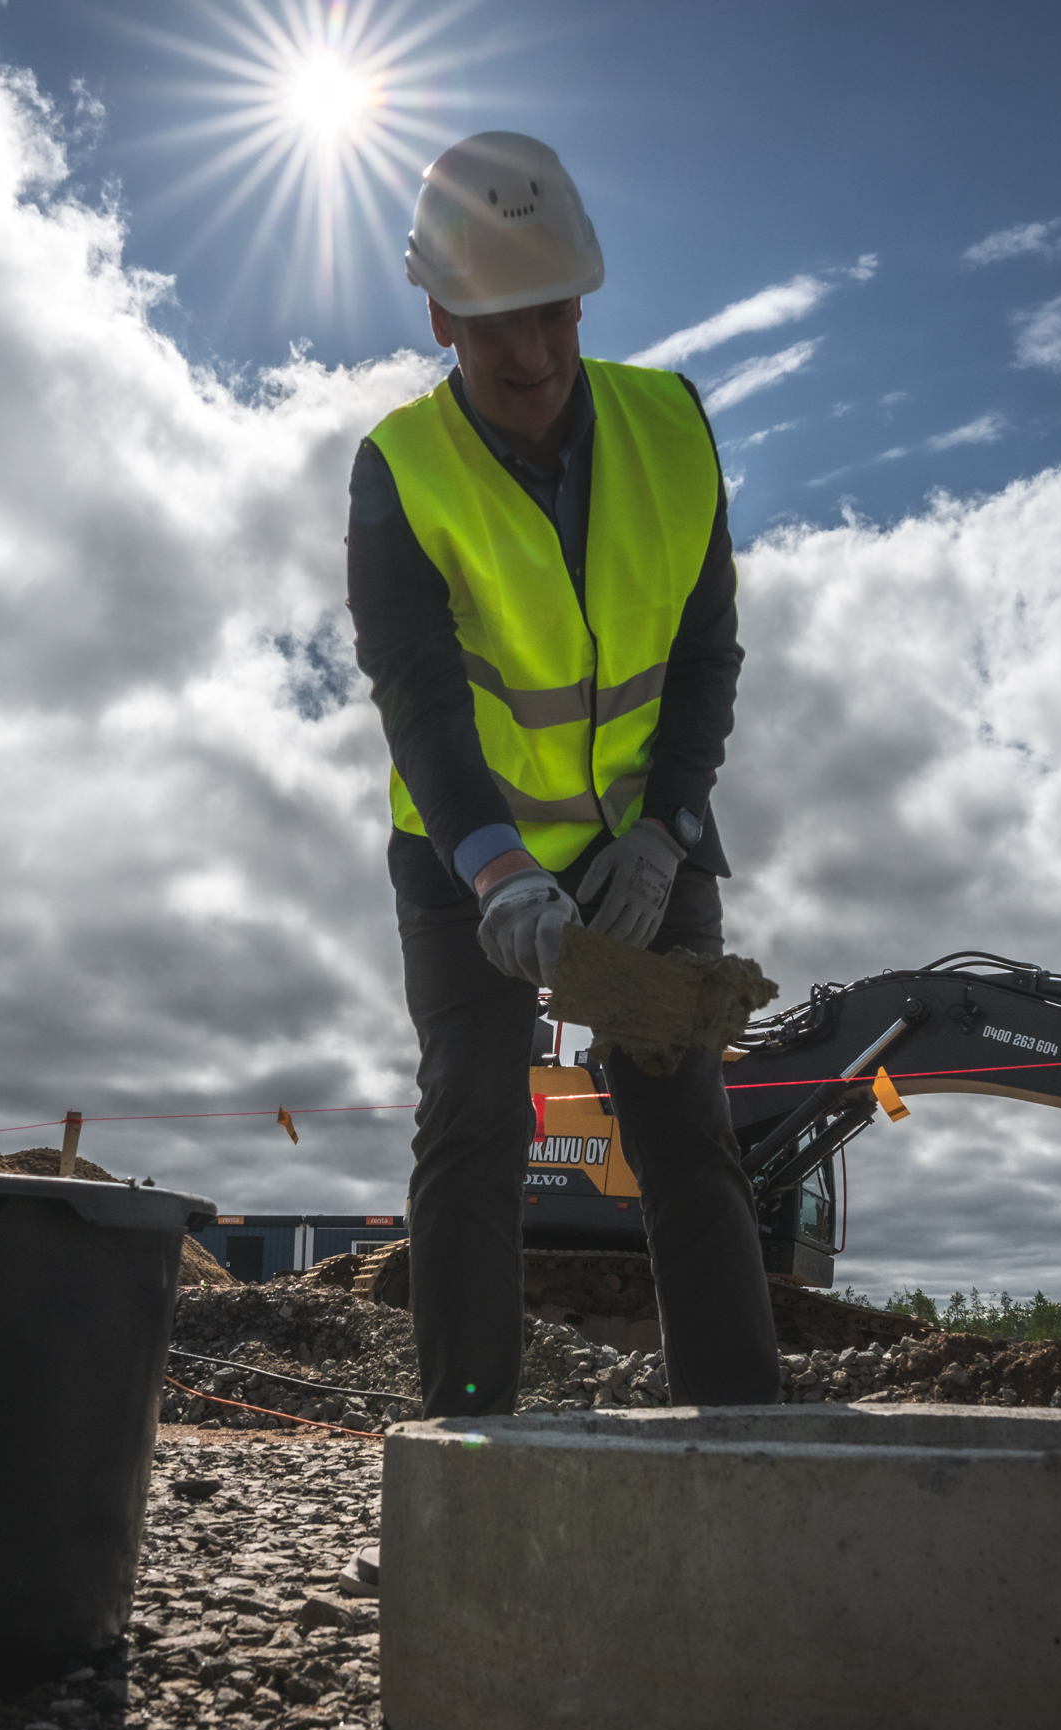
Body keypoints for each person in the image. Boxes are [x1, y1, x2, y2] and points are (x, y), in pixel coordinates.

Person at [346, 131, 780, 1420]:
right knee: (476, 1125)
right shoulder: (400, 469)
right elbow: (416, 696)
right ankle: (468, 1439)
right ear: (438, 314)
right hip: (464, 857)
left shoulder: (670, 426)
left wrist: (668, 832)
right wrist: (495, 872)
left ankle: (747, 1433)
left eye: (549, 317)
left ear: (582, 296)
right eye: (493, 329)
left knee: (683, 1132)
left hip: (639, 845)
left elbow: (705, 655)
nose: (530, 358)